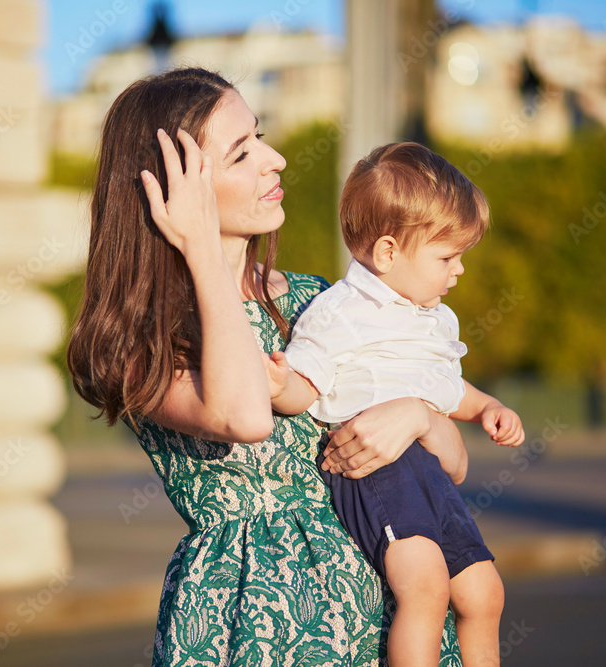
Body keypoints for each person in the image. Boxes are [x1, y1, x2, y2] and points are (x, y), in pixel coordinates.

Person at [66, 68, 467, 666]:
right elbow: (245, 414)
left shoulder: (322, 302)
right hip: (252, 624)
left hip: (384, 610)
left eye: (261, 137)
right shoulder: (136, 343)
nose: (274, 160)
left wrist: (417, 416)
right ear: (175, 190)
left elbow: (448, 465)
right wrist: (202, 247)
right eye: (241, 153)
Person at [264, 142, 525, 667]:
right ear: (387, 253)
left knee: (485, 593)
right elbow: (308, 385)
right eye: (447, 257)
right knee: (425, 586)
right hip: (379, 472)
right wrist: (278, 383)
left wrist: (485, 408)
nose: (459, 271)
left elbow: (447, 388)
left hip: (427, 469)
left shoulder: (433, 318)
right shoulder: (340, 311)